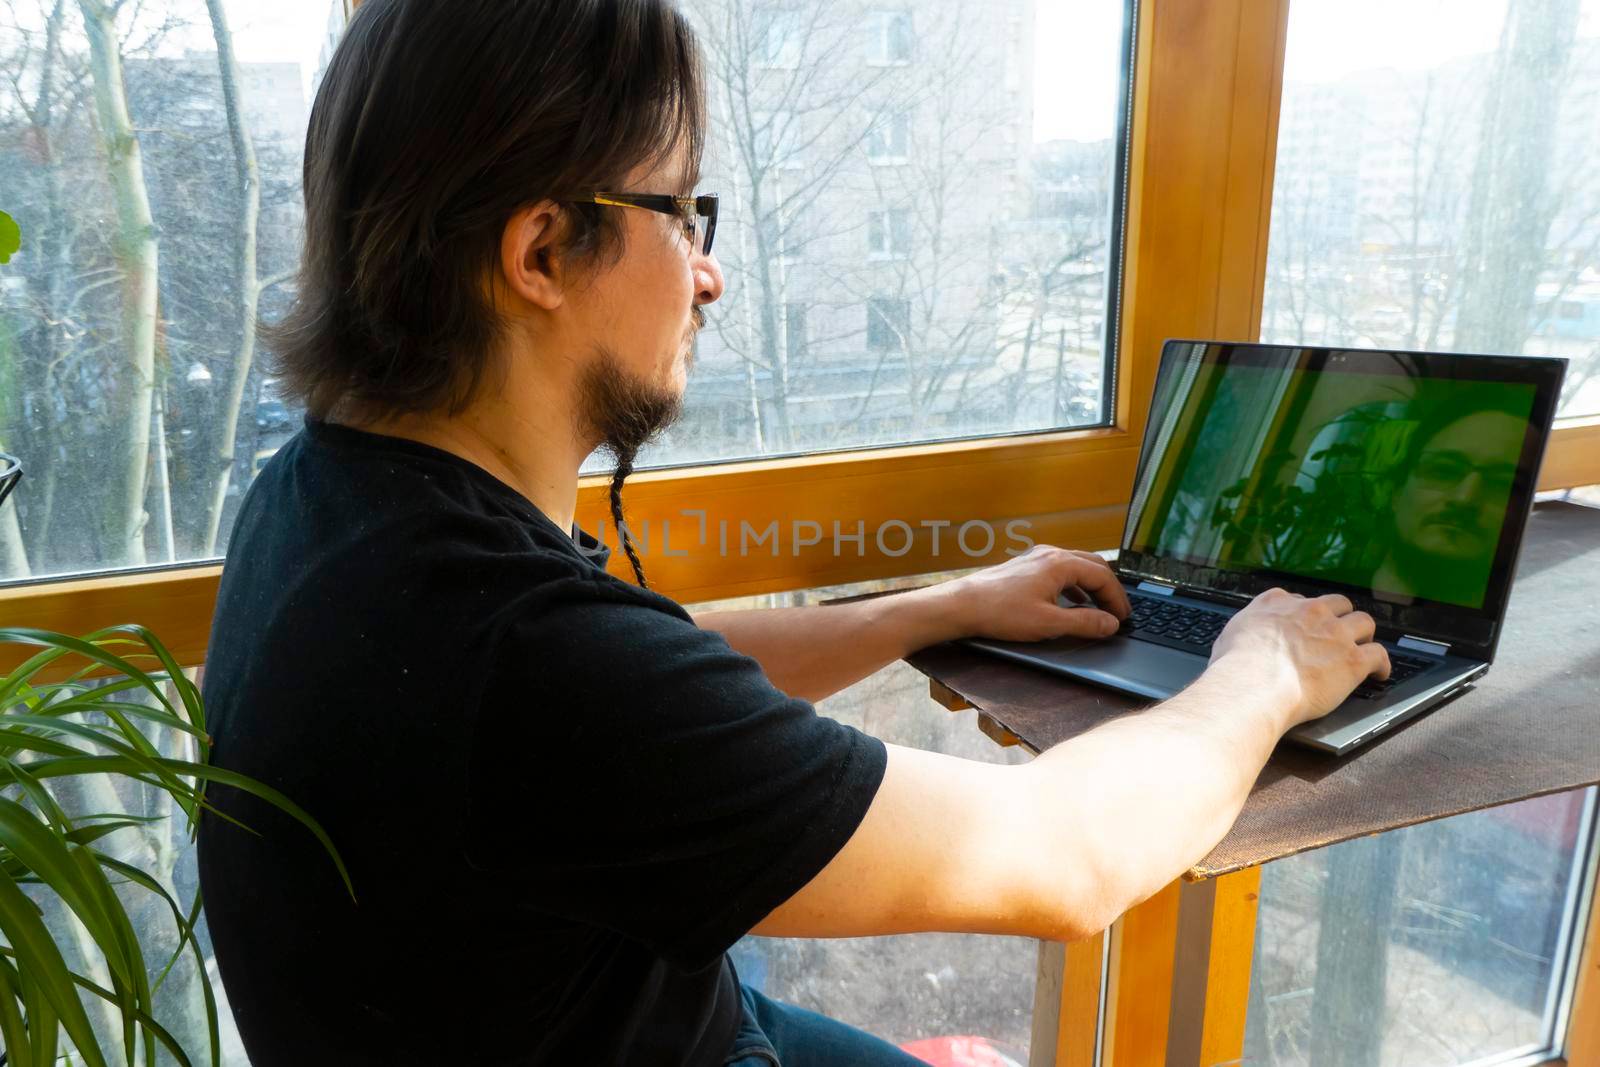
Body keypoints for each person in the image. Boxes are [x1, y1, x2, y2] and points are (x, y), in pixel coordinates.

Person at [195, 2, 1391, 1064]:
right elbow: (1062, 856)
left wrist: (937, 605)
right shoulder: (516, 656)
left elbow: (647, 666)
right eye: (680, 213)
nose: (706, 278)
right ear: (542, 250)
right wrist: (1264, 669)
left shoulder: (337, 498)